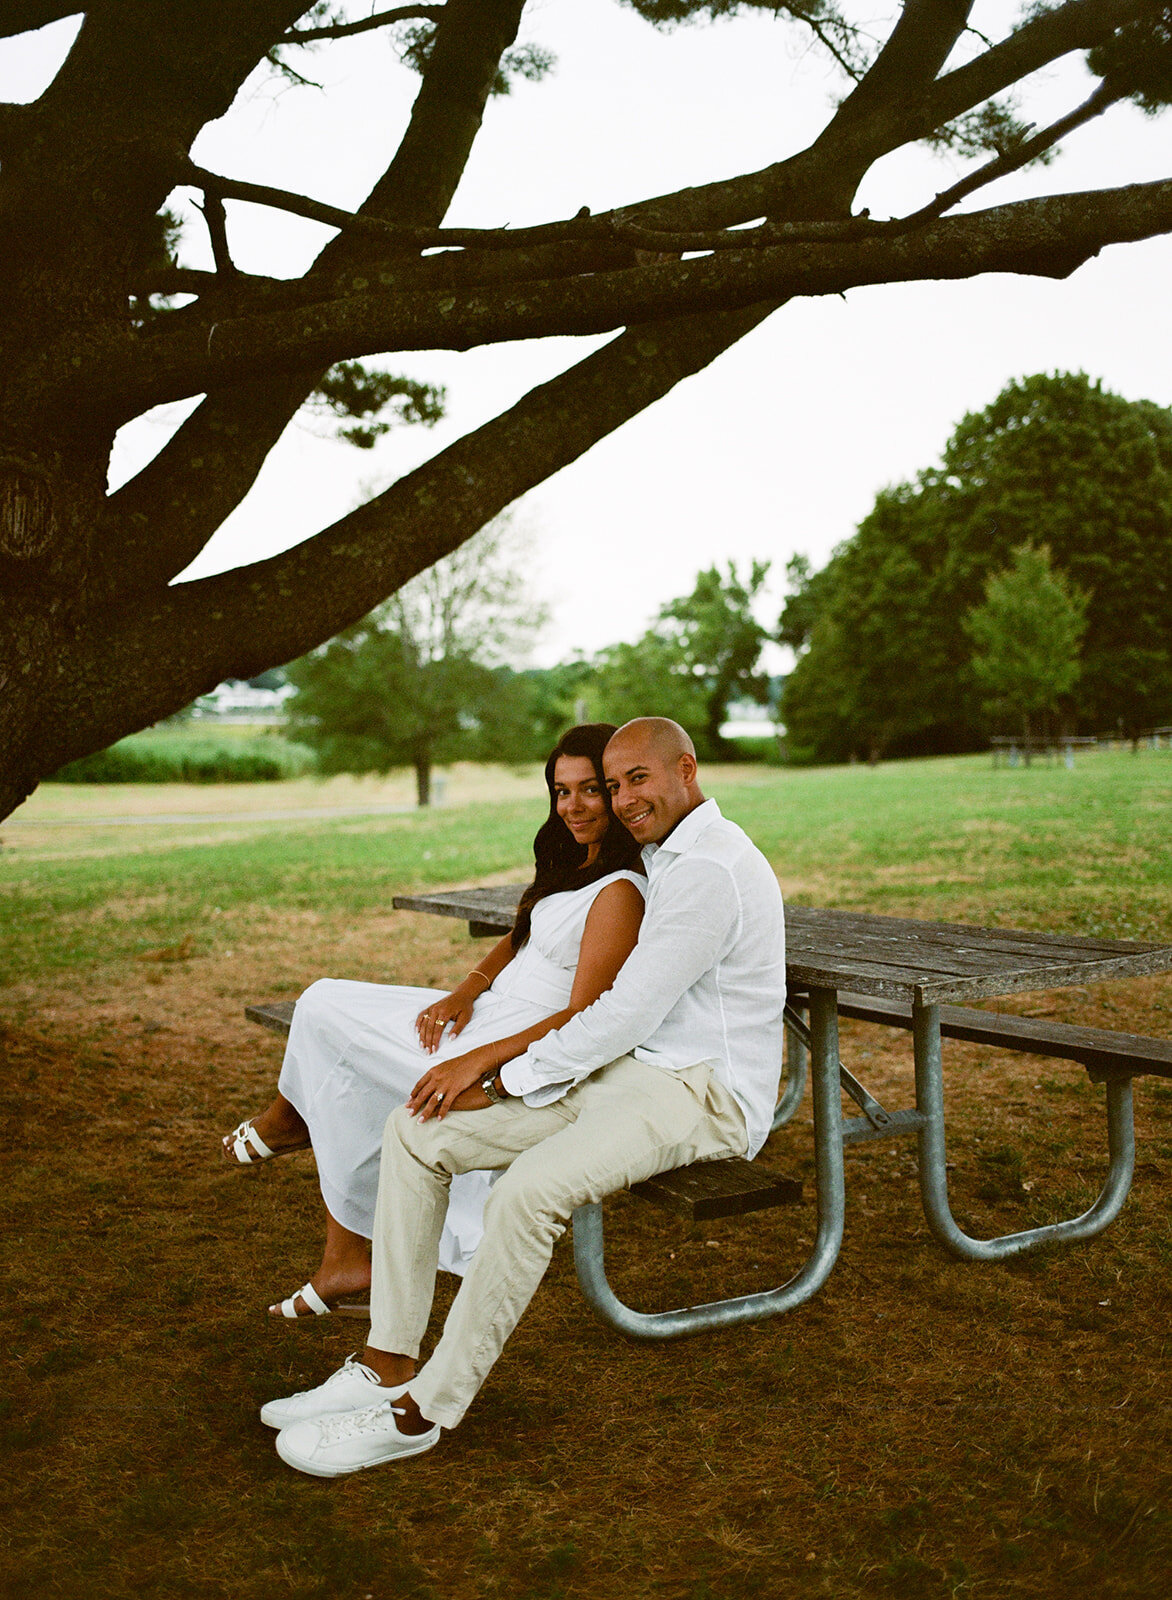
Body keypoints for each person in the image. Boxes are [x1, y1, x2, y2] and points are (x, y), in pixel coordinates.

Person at [262, 717, 786, 1476]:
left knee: (527, 1194)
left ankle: (422, 1412)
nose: (622, 798)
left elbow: (625, 1009)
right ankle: (387, 1362)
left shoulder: (709, 869)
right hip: (631, 1070)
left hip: (702, 1094)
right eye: (613, 785)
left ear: (687, 769)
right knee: (417, 1133)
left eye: (637, 779)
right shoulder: (668, 854)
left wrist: (504, 1078)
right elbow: (600, 998)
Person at [221, 724, 646, 1317]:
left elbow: (582, 1014)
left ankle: (296, 1139)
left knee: (347, 1048)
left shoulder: (621, 891)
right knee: (322, 1004)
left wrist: (479, 1058)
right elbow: (522, 939)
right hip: (492, 1011)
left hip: (519, 1044)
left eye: (590, 790)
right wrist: (465, 990)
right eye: (560, 790)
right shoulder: (575, 861)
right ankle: (341, 1244)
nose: (572, 806)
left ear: (620, 791)